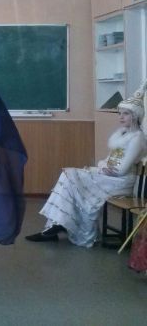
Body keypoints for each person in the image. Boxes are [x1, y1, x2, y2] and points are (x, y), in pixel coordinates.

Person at [26, 85, 147, 247]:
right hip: (108, 176)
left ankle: (57, 225)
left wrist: (103, 167)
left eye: (126, 113)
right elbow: (106, 161)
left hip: (122, 182)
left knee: (69, 176)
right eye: (120, 113)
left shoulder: (138, 138)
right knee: (68, 176)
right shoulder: (122, 134)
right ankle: (55, 225)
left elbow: (121, 169)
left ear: (135, 115)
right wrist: (103, 167)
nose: (121, 117)